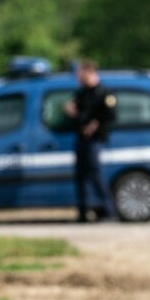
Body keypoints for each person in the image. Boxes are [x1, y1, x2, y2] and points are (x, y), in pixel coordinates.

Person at [63, 59, 116, 222]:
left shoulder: (103, 93)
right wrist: (70, 111)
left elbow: (111, 116)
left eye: (81, 74)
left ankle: (108, 210)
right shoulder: (81, 93)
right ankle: (83, 211)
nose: (79, 77)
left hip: (96, 140)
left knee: (96, 174)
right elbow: (74, 110)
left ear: (90, 72)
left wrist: (95, 125)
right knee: (81, 175)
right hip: (81, 138)